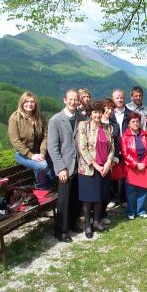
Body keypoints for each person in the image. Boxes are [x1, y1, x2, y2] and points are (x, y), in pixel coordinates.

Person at [48, 89, 85, 242]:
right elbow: (52, 147)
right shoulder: (55, 120)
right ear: (64, 100)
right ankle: (61, 231)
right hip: (65, 167)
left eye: (75, 99)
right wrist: (60, 168)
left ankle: (72, 223)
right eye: (70, 99)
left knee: (76, 197)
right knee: (63, 200)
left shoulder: (81, 118)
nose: (73, 102)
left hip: (79, 166)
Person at [77, 100, 115, 238]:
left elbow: (112, 148)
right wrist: (97, 165)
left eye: (99, 112)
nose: (97, 115)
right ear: (90, 113)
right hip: (89, 170)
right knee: (88, 199)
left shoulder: (108, 128)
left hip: (104, 168)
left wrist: (108, 163)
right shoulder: (83, 126)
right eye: (95, 112)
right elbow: (82, 149)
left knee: (100, 197)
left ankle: (97, 222)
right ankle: (87, 224)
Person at [8, 91, 51, 190]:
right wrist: (31, 155)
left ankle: (50, 183)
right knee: (42, 166)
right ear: (22, 103)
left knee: (59, 162)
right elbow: (15, 141)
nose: (29, 104)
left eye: (32, 101)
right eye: (26, 101)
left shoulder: (40, 117)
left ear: (35, 104)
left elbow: (46, 136)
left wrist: (42, 153)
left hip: (39, 153)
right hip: (22, 154)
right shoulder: (15, 118)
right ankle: (40, 186)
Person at [121, 112, 147, 219]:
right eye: (133, 121)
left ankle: (141, 211)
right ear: (129, 124)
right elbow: (125, 154)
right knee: (131, 191)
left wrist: (144, 163)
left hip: (144, 166)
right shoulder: (124, 137)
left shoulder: (146, 134)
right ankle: (131, 211)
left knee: (143, 191)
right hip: (131, 167)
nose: (136, 123)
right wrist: (136, 164)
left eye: (137, 121)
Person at [109, 89, 132, 207]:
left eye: (121, 97)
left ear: (125, 98)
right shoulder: (109, 115)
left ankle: (123, 198)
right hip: (113, 147)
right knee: (112, 173)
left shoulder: (130, 114)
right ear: (113, 99)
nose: (119, 100)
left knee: (125, 173)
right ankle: (114, 198)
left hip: (127, 148)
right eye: (117, 98)